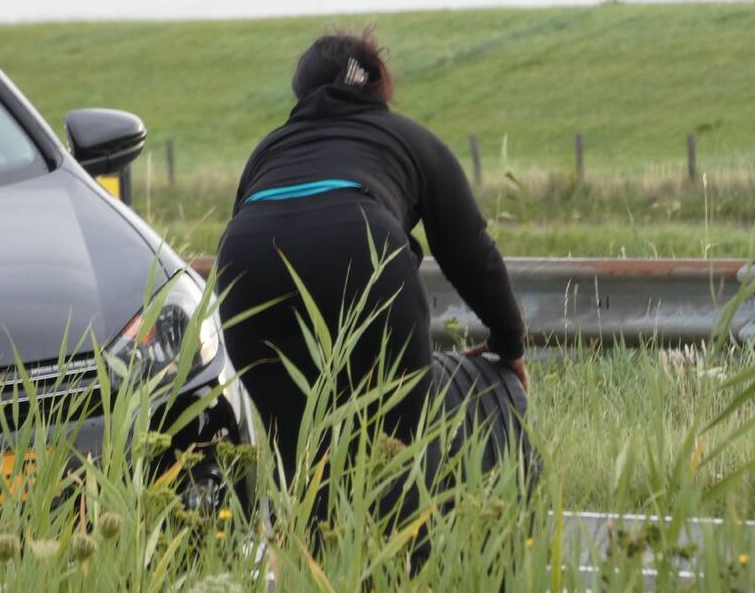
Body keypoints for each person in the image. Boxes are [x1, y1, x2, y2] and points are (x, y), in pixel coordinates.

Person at [216, 29, 526, 489]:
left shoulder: (269, 149)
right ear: (380, 84)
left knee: (299, 460)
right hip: (362, 251)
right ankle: (400, 555)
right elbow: (471, 252)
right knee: (396, 458)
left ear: (301, 92)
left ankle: (307, 557)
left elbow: (246, 219)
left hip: (247, 264)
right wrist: (509, 342)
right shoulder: (409, 139)